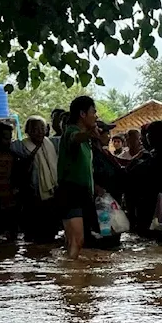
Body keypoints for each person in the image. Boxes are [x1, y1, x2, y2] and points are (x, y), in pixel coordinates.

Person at [57, 96, 98, 258]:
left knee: (74, 241)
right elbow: (76, 138)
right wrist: (89, 133)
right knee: (77, 241)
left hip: (80, 193)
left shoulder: (83, 138)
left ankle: (70, 275)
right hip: (71, 192)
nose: (96, 115)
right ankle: (72, 279)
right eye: (93, 112)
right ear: (82, 114)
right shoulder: (71, 132)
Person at [13, 116, 60, 243]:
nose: (39, 132)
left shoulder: (52, 143)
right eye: (35, 129)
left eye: (42, 129)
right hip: (31, 194)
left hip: (51, 193)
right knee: (33, 231)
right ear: (27, 131)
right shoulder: (21, 146)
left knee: (49, 231)